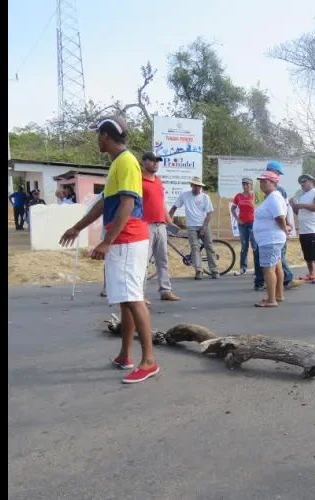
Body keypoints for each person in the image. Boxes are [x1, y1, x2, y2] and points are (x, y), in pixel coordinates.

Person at [59, 116, 158, 384]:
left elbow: (127, 204)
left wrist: (107, 241)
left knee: (133, 298)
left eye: (97, 135)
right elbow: (105, 204)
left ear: (105, 136)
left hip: (127, 239)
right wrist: (77, 228)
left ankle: (148, 361)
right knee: (126, 298)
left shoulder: (126, 162)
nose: (96, 140)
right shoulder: (119, 163)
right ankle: (125, 354)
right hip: (123, 240)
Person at [252, 161, 303, 291]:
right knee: (274, 262)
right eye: (278, 173)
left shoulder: (258, 187)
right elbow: (281, 213)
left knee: (269, 262)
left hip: (267, 230)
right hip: (271, 230)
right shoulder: (277, 190)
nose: (279, 176)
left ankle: (262, 282)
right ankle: (285, 282)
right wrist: (286, 226)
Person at [141, 152, 180, 301]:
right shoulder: (138, 179)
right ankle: (140, 295)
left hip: (160, 225)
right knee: (143, 261)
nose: (156, 163)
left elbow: (161, 202)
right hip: (145, 225)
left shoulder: (158, 181)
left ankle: (165, 291)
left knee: (162, 260)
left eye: (157, 161)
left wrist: (169, 220)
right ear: (144, 162)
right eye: (152, 160)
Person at [252, 170, 291, 307]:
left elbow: (279, 217)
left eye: (265, 181)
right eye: (261, 181)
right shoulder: (272, 197)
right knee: (277, 267)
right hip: (271, 238)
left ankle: (271, 299)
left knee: (268, 269)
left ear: (274, 183)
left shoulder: (274, 197)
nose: (262, 183)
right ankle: (278, 295)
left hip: (270, 239)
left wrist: (284, 228)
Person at [170, 177, 218, 280]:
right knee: (195, 248)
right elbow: (174, 207)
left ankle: (214, 270)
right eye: (195, 186)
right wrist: (168, 220)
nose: (197, 188)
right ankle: (198, 271)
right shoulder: (185, 195)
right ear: (192, 186)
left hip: (203, 224)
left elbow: (209, 213)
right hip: (191, 226)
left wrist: (204, 227)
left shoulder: (205, 197)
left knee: (209, 247)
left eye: (199, 186)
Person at [290, 174, 315, 283]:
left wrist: (302, 205)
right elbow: (298, 212)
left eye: (304, 181)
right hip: (303, 229)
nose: (302, 184)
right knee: (307, 254)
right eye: (301, 182)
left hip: (314, 229)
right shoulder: (302, 196)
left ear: (311, 181)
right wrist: (294, 206)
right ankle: (311, 273)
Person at [231, 177, 256, 277]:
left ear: (251, 185)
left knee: (255, 246)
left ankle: (258, 269)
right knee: (244, 246)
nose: (245, 186)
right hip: (242, 224)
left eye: (247, 184)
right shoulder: (238, 196)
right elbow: (233, 209)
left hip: (253, 223)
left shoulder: (254, 196)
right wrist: (237, 219)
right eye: (244, 184)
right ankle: (243, 268)